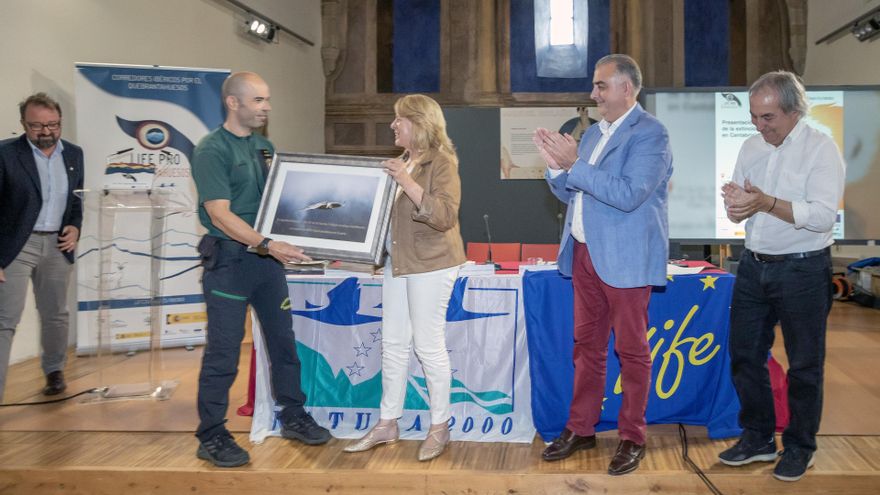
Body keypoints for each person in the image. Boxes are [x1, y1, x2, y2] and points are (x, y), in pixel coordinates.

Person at [533, 54, 672, 475]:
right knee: (586, 349)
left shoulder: (652, 134)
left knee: (632, 352)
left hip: (626, 259)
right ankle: (582, 427)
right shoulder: (592, 135)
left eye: (601, 86)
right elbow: (571, 193)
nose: (593, 94)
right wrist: (555, 168)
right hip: (584, 254)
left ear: (626, 88)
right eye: (594, 86)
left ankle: (632, 436)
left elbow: (628, 194)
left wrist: (574, 164)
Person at [190, 71, 330, 468]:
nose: (266, 107)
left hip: (266, 266)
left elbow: (281, 206)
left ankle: (292, 415)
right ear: (233, 103)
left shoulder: (265, 147)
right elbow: (219, 214)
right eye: (258, 101)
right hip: (231, 263)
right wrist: (267, 244)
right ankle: (212, 434)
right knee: (224, 354)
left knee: (284, 346)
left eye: (267, 100)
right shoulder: (211, 150)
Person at [718, 71, 845, 482]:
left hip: (804, 267)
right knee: (743, 355)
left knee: (805, 364)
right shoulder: (750, 145)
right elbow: (739, 203)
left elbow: (824, 216)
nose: (759, 125)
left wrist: (767, 202)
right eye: (754, 116)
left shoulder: (821, 150)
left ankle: (799, 446)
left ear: (794, 112)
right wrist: (736, 208)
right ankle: (757, 438)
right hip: (754, 265)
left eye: (768, 117)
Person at [343, 94, 466, 461]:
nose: (393, 125)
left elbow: (443, 216)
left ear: (421, 123)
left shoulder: (440, 163)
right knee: (394, 343)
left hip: (432, 263)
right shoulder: (401, 162)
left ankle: (439, 426)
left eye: (400, 119)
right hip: (398, 264)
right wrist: (372, 253)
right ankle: (387, 422)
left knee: (428, 345)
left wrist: (406, 182)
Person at [0, 93, 83, 401]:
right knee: (5, 320)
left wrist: (75, 226)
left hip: (58, 245)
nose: (46, 132)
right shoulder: (6, 154)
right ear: (23, 124)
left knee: (55, 314)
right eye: (37, 126)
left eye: (53, 124)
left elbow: (76, 201)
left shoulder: (74, 155)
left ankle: (55, 371)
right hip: (15, 246)